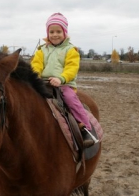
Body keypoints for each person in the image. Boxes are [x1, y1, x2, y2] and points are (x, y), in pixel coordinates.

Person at [31, 12, 96, 148]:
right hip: (43, 83)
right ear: (48, 33)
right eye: (52, 31)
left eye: (58, 31)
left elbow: (72, 68)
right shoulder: (42, 50)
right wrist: (35, 76)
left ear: (64, 32)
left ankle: (85, 129)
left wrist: (61, 78)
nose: (55, 34)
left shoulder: (71, 50)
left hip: (63, 84)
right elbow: (36, 64)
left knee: (71, 99)